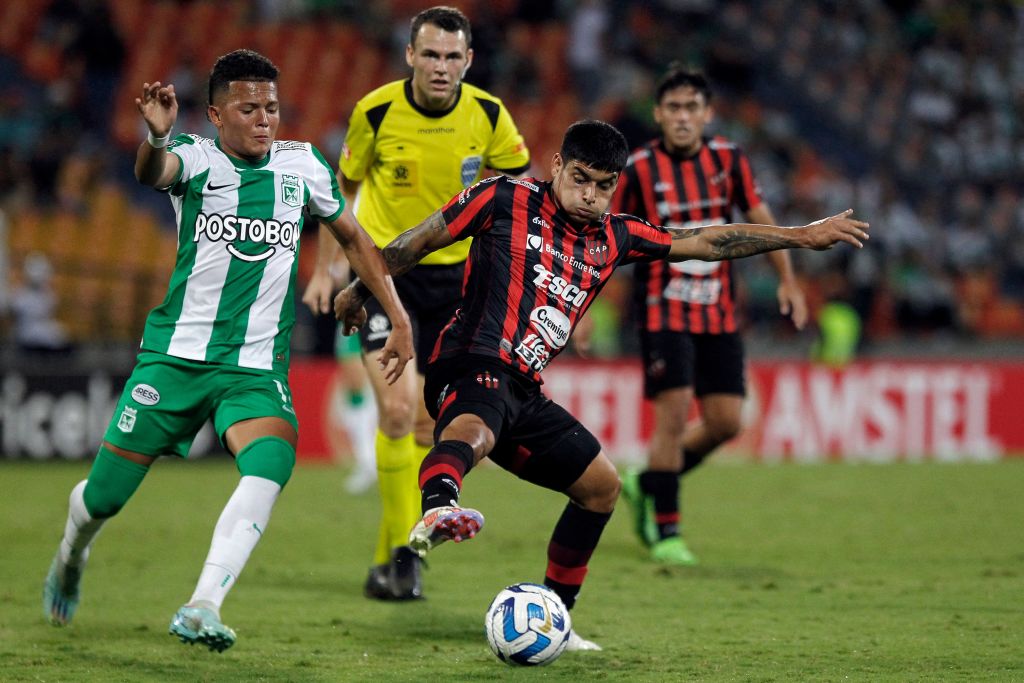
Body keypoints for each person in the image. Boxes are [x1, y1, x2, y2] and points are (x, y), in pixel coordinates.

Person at [333, 120, 869, 650]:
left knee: (601, 488)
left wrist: (801, 235)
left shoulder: (617, 236)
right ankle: (439, 505)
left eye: (604, 185)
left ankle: (555, 621)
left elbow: (707, 241)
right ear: (557, 166)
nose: (590, 195)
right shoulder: (502, 198)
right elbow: (417, 242)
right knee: (477, 426)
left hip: (525, 387)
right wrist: (360, 292)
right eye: (581, 179)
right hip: (469, 359)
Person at [41, 49, 413, 652]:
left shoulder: (303, 166)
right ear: (216, 115)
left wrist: (396, 314)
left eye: (272, 107)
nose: (265, 119)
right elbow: (151, 173)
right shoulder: (194, 157)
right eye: (249, 109)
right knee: (102, 498)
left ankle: (203, 604)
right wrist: (155, 137)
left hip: (255, 369)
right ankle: (70, 553)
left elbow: (355, 239)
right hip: (175, 359)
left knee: (273, 461)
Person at [302, 6, 530, 601]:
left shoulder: (490, 116)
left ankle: (389, 560)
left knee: (429, 426)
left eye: (452, 56)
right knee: (399, 413)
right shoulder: (375, 112)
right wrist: (328, 269)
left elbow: (520, 194)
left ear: (469, 61)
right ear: (410, 55)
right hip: (386, 276)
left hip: (458, 285)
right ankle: (407, 557)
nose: (440, 66)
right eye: (430, 54)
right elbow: (340, 192)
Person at [611, 67, 809, 565]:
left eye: (691, 108)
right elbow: (610, 235)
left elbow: (761, 221)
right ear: (659, 115)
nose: (683, 117)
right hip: (662, 309)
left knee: (726, 422)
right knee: (674, 414)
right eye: (674, 108)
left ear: (707, 114)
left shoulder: (728, 159)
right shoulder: (638, 168)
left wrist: (787, 278)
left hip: (719, 312)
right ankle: (667, 531)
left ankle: (647, 481)